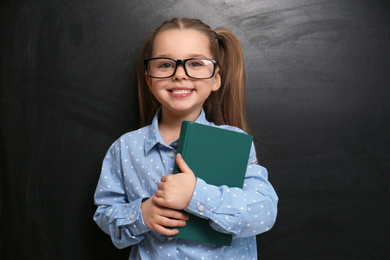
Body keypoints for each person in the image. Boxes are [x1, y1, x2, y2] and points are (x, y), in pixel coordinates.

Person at [93, 17, 278, 259]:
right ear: (149, 79)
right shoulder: (125, 148)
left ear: (215, 79)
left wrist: (196, 195)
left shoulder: (234, 143)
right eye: (165, 65)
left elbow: (264, 212)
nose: (180, 75)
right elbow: (105, 214)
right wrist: (141, 215)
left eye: (196, 63)